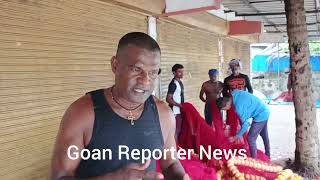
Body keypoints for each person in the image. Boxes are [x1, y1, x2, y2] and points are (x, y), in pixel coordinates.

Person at [50, 32, 189, 180]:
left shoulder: (163, 114)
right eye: (136, 69)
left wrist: (180, 177)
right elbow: (59, 176)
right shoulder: (83, 113)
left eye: (153, 72)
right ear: (115, 65)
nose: (146, 81)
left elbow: (170, 163)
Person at [216, 90, 270, 159]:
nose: (225, 110)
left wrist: (236, 137)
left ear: (226, 105)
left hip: (261, 114)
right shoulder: (234, 93)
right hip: (263, 108)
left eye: (224, 109)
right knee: (264, 134)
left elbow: (246, 124)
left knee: (250, 138)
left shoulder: (238, 108)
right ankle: (268, 155)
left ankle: (254, 160)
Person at [166, 64, 184, 139]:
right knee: (175, 131)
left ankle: (176, 147)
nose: (182, 73)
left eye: (182, 71)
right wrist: (179, 105)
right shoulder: (173, 84)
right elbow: (168, 99)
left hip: (179, 110)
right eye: (179, 72)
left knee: (179, 130)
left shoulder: (179, 82)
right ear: (174, 72)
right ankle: (174, 148)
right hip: (175, 111)